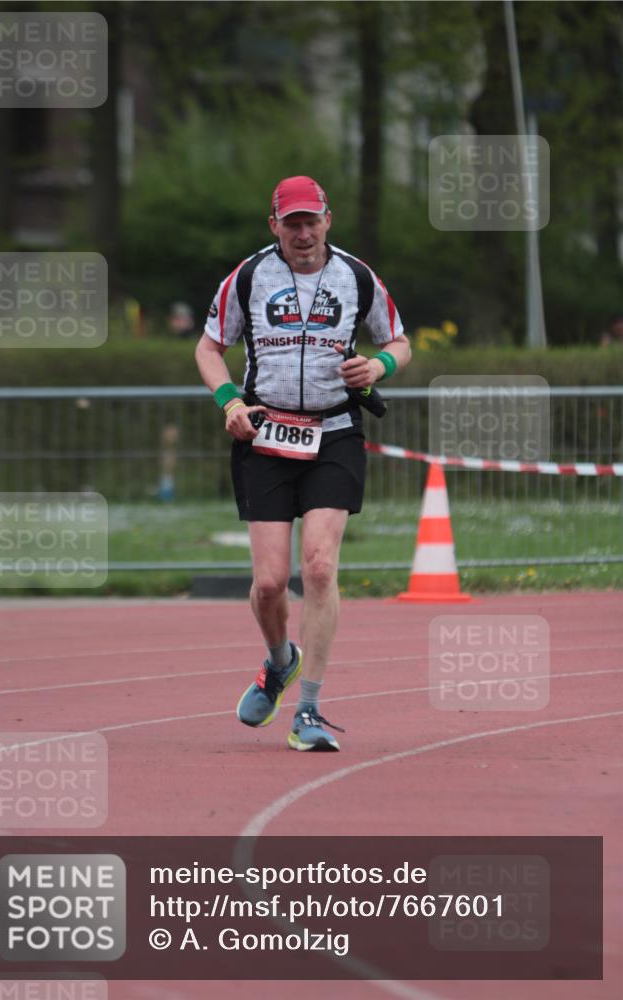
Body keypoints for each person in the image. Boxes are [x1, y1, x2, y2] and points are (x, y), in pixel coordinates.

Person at [195, 175, 411, 752]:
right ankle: (278, 660)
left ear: (327, 221)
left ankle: (309, 709)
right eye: (291, 223)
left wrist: (380, 367)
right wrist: (228, 400)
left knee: (318, 568)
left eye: (311, 220)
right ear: (275, 227)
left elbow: (400, 341)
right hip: (264, 435)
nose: (303, 232)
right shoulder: (247, 278)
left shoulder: (357, 277)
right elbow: (209, 347)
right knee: (269, 584)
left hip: (335, 433)